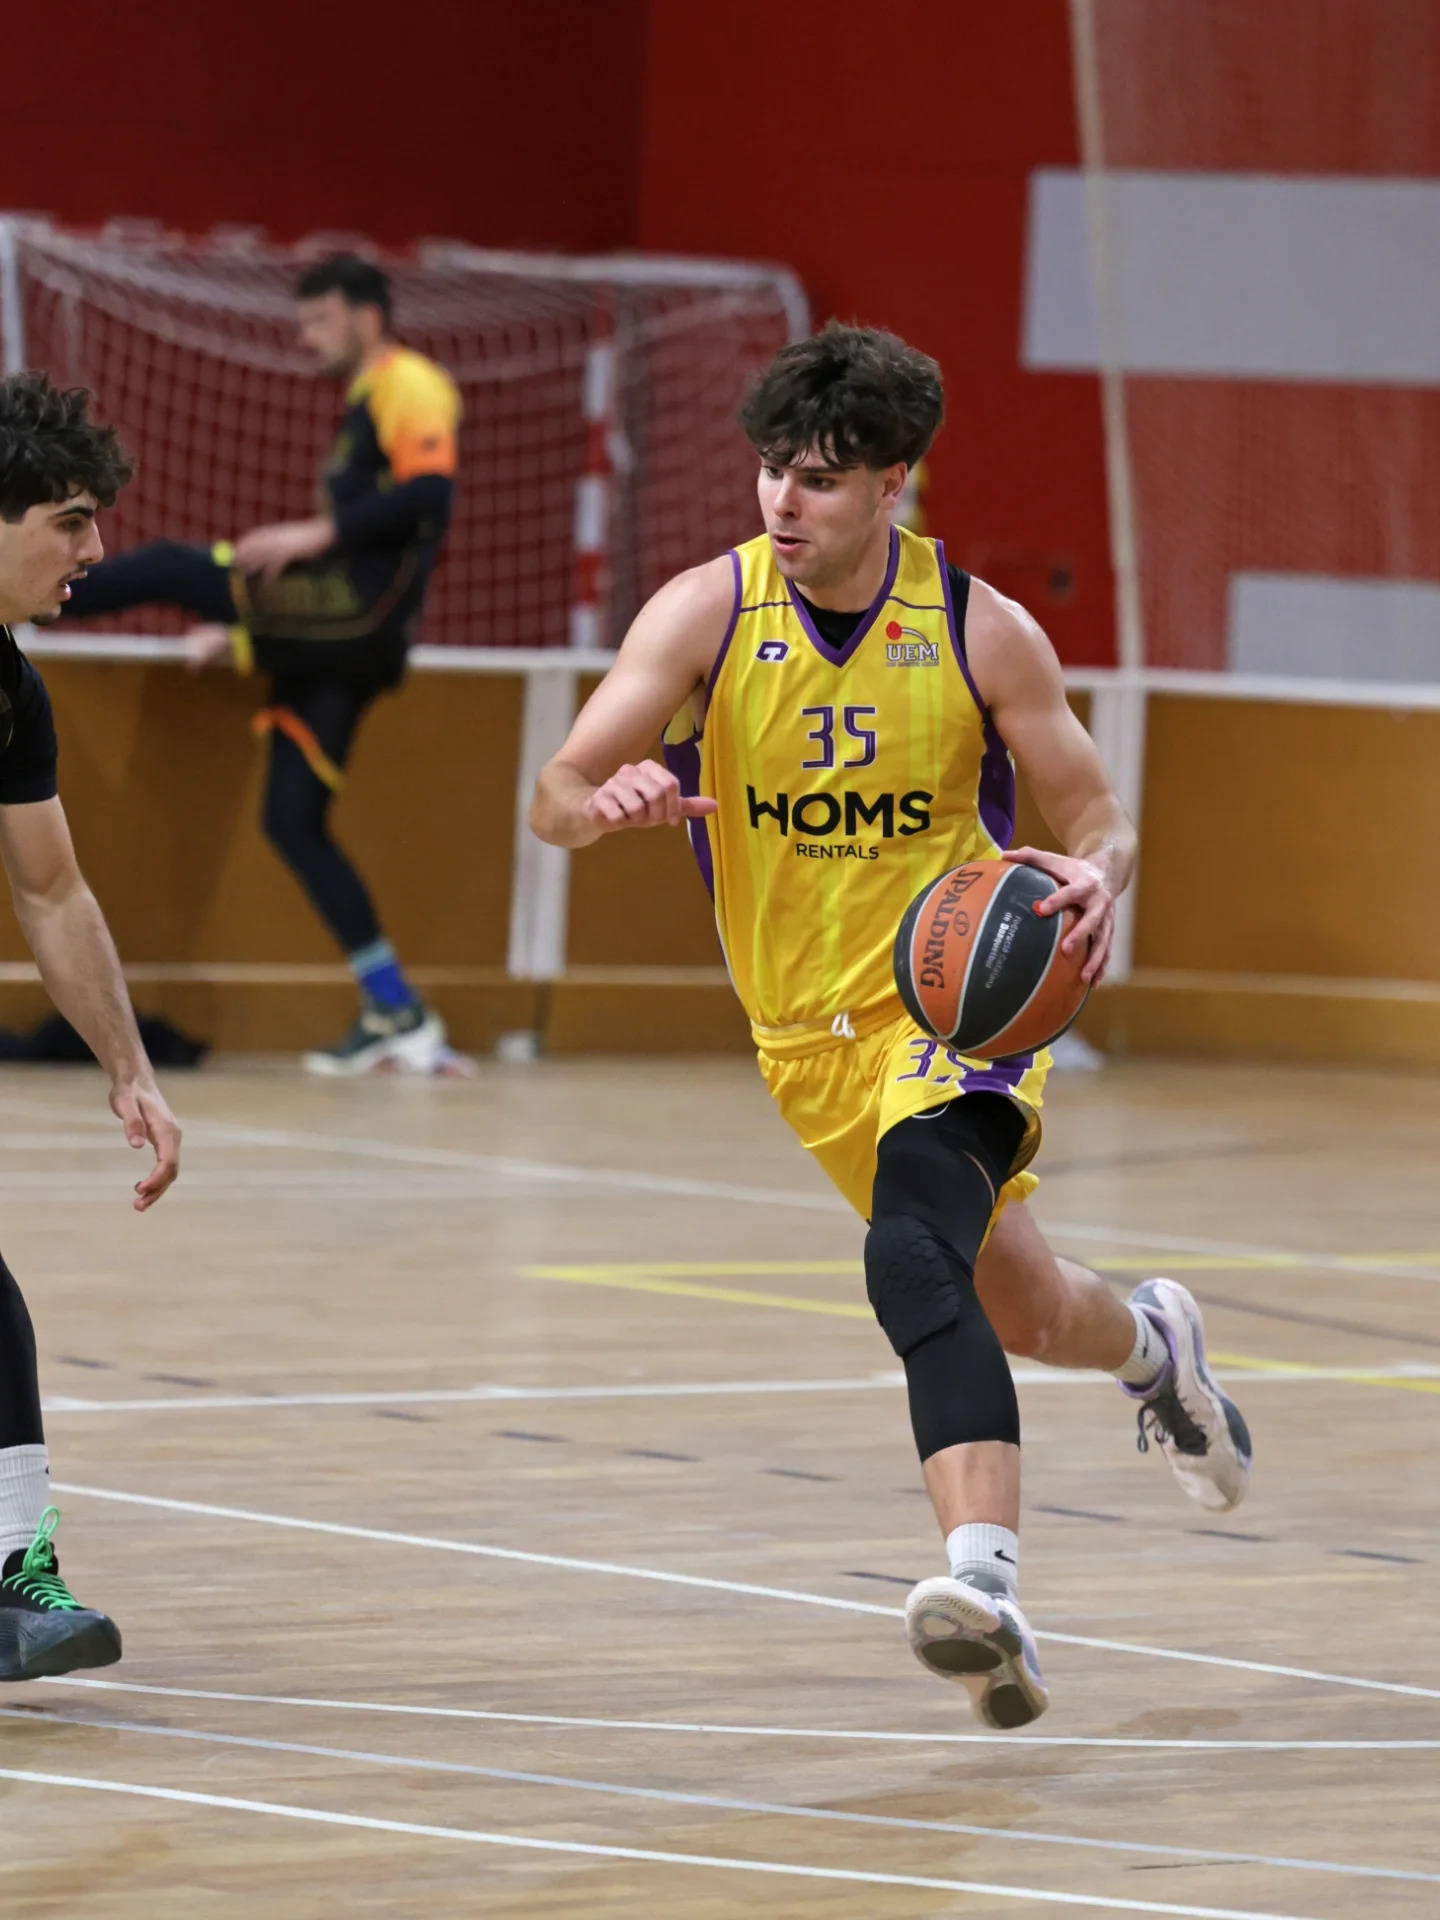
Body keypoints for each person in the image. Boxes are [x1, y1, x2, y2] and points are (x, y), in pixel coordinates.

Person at [530, 324, 1251, 1731]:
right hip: (802, 1041)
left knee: (912, 1252)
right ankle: (1156, 1349)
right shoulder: (706, 614)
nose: (782, 502)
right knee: (1024, 1309)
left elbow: (1095, 813)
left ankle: (985, 1591)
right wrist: (598, 803)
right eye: (770, 471)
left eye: (817, 479)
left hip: (959, 1010)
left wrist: (1098, 875)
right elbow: (555, 788)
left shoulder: (981, 628)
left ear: (890, 484)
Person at [56, 254, 460, 1075]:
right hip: (336, 639)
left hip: (357, 614)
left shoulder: (408, 382)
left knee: (173, 567)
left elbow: (431, 496)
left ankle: (25, 598)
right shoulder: (361, 403)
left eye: (318, 320)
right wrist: (248, 639)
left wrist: (316, 535)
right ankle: (398, 1012)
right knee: (293, 818)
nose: (304, 337)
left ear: (365, 317)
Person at [0, 372, 182, 1681]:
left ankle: (14, 1569)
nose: (95, 548)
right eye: (69, 520)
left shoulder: (10, 690)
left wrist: (131, 1071)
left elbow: (52, 888)